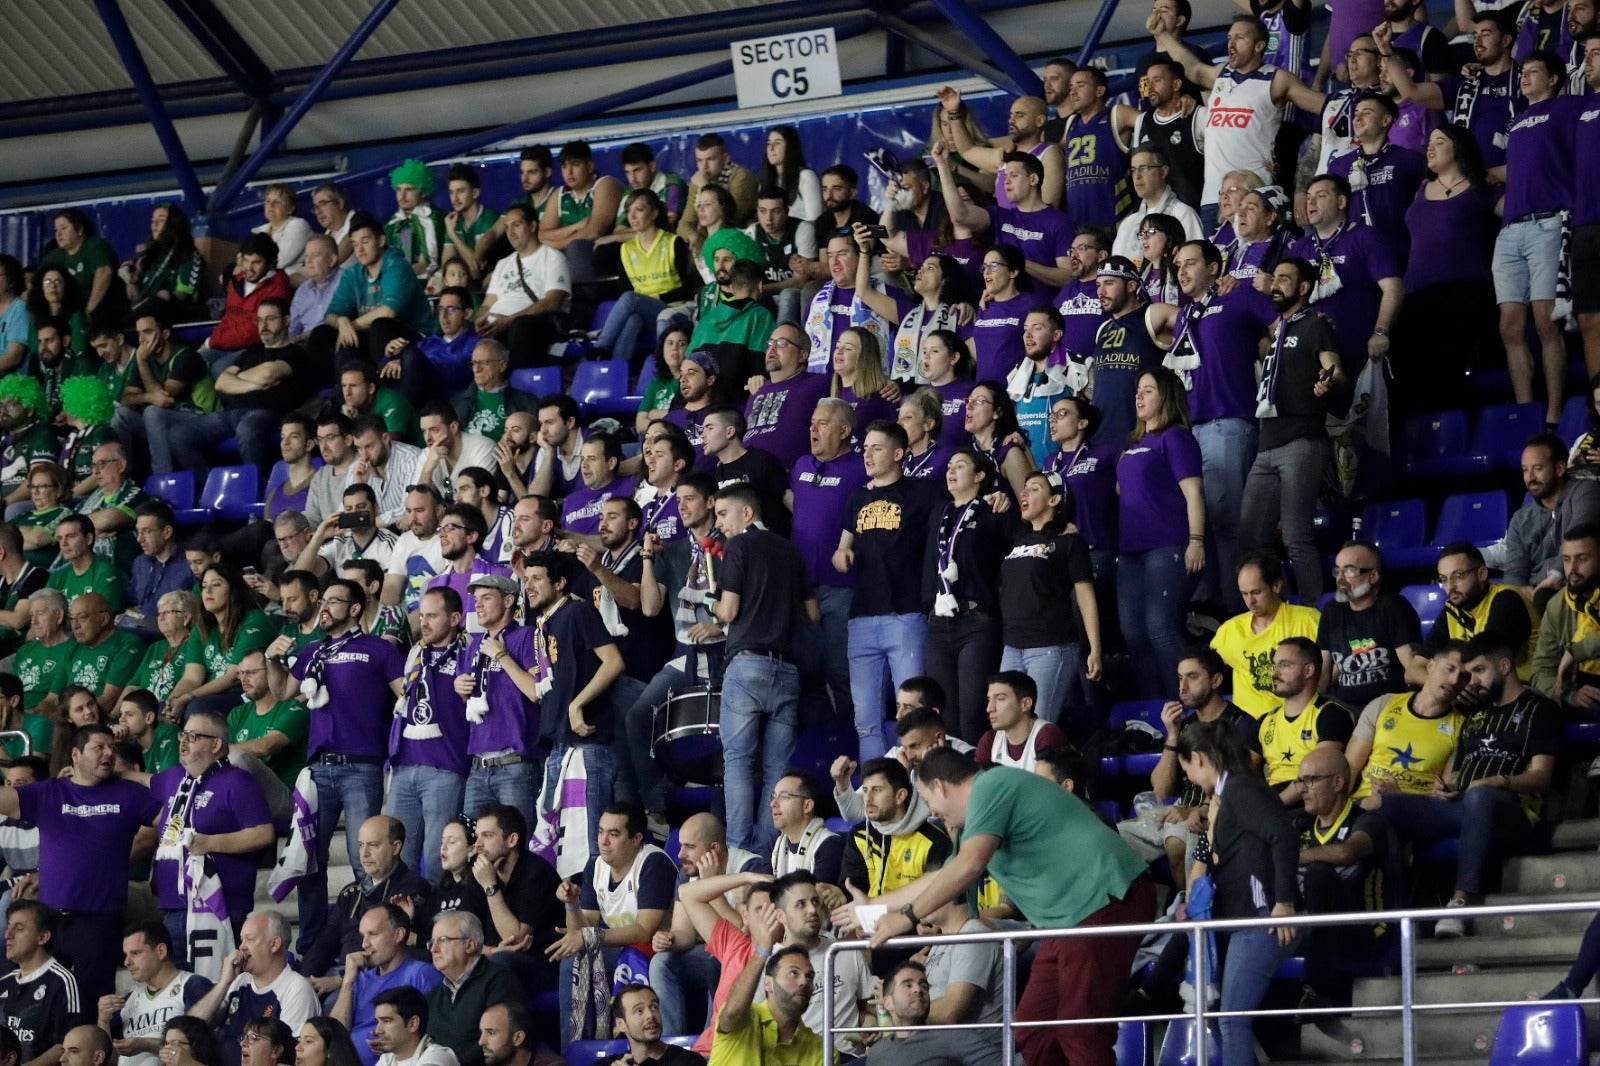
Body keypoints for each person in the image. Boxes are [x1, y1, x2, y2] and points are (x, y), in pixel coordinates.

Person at [850, 749, 1153, 1066]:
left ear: (939, 786)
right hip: (1066, 919)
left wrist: (906, 917)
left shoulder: (991, 786)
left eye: (927, 800)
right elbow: (941, 876)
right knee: (1034, 1029)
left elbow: (968, 867)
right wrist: (872, 905)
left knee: (1080, 1031)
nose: (933, 813)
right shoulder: (973, 822)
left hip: (1102, 897)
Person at [1374, 634, 1561, 937]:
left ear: (1505, 666)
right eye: (1469, 673)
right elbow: (1455, 773)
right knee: (1385, 807)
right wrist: (1443, 787)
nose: (1471, 681)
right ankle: (1393, 914)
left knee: (1480, 795)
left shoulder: (1540, 709)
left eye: (1479, 671)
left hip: (1514, 811)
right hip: (1464, 805)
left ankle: (1460, 902)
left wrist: (1497, 782)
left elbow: (1542, 776)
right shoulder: (1475, 714)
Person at [270, 579, 405, 952]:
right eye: (323, 602)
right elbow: (282, 693)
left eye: (333, 601)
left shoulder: (379, 648)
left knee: (367, 860)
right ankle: (312, 946)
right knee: (310, 860)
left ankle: (370, 943)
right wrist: (272, 660)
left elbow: (407, 696)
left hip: (362, 766)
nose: (324, 607)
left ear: (356, 608)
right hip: (318, 769)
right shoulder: (313, 650)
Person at [0, 723, 160, 1005]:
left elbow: (178, 810)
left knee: (90, 1003)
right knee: (45, 1004)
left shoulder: (127, 793)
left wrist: (131, 775)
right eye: (99, 747)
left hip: (99, 920)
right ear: (75, 755)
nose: (108, 753)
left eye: (112, 748)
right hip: (49, 919)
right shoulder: (50, 793)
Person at [1176, 720, 1301, 1066]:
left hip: (1261, 920)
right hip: (1243, 920)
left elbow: (1283, 836)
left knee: (1232, 1020)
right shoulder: (1228, 793)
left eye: (1186, 768)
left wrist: (1284, 902)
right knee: (1221, 1015)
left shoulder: (1241, 789)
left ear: (1197, 758)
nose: (1188, 777)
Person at [1150, 13, 1326, 229]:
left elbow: (1325, 106)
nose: (1231, 44)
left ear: (1259, 46)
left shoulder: (1276, 79)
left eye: (1239, 38)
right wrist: (1163, 35)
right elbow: (1194, 69)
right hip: (1213, 199)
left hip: (1252, 196)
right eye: (1229, 38)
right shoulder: (1222, 74)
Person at [714, 484, 816, 850]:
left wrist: (712, 607)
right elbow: (813, 614)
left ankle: (740, 850)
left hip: (746, 665)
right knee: (777, 770)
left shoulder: (738, 546)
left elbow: (728, 611)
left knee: (738, 762)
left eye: (723, 514)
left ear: (747, 513)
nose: (718, 523)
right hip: (788, 670)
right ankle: (768, 852)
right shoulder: (790, 551)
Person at [1238, 257, 1345, 601]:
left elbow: (1335, 370)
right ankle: (1279, 609)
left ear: (1303, 288)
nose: (1275, 284)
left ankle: (1311, 615)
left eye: (1284, 279)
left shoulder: (1314, 325)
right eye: (1275, 278)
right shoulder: (1274, 331)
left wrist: (1328, 381)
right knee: (1252, 535)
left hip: (1301, 440)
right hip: (1267, 444)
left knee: (1296, 536)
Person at [148, 707, 274, 967]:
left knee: (215, 983)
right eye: (183, 734)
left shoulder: (238, 781)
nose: (183, 741)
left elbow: (263, 834)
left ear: (216, 744)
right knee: (181, 987)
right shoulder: (174, 777)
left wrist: (211, 843)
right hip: (173, 906)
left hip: (220, 906)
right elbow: (144, 781)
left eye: (193, 736)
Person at [547, 805, 675, 1048]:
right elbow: (584, 929)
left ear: (636, 839)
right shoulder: (595, 866)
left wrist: (590, 937)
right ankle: (575, 1051)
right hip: (622, 948)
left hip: (658, 946)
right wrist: (572, 905)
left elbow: (644, 930)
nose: (603, 841)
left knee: (585, 954)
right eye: (600, 831)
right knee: (572, 960)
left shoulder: (653, 863)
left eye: (613, 834)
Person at [1493, 51, 1573, 425]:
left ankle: (1554, 414)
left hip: (1549, 223)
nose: (1524, 77)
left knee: (1545, 320)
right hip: (1510, 230)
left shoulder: (1568, 109)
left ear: (1554, 79)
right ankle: (1526, 414)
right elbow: (1514, 170)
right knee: (1509, 325)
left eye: (1534, 71)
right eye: (1522, 72)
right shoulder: (1517, 120)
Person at [1117, 369, 1205, 699]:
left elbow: (1194, 492)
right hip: (1131, 550)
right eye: (1138, 390)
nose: (1139, 396)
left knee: (1161, 630)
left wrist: (1196, 540)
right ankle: (1154, 710)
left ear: (1166, 397)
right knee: (1134, 635)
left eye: (1148, 390)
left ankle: (1187, 703)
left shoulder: (1175, 437)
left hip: (1167, 545)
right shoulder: (1136, 443)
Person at [997, 468, 1103, 729]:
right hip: (1012, 646)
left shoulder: (1069, 542)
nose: (1025, 493)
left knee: (1035, 728)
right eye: (1025, 489)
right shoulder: (1016, 540)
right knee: (1007, 727)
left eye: (1035, 489)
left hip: (1050, 646)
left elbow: (1085, 596)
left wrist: (1095, 648)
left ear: (1054, 500)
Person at [301, 816, 433, 991]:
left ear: (395, 847)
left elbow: (393, 955)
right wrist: (303, 981)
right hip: (341, 972)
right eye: (361, 845)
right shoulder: (350, 893)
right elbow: (324, 944)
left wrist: (342, 980)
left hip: (375, 981)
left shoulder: (413, 889)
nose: (364, 854)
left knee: (331, 1003)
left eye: (373, 845)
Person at [187, 911, 321, 1066]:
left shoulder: (296, 989)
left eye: (249, 939)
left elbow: (288, 1057)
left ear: (274, 944)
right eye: (241, 940)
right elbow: (190, 1030)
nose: (241, 947)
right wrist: (224, 983)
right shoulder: (240, 981)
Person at [1345, 643, 1467, 799]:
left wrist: (1399, 797)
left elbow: (1444, 794)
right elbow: (1350, 769)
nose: (1455, 680)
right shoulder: (1384, 704)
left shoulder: (1463, 727)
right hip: (1363, 801)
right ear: (1430, 666)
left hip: (1416, 808)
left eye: (1464, 677)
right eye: (1450, 669)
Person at [1406, 543, 1538, 686]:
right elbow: (1413, 671)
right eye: (1443, 579)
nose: (1450, 586)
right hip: (1479, 689)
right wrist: (1440, 686)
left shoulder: (1507, 600)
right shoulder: (1452, 610)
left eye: (1458, 576)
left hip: (1524, 688)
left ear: (1482, 573)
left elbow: (1487, 668)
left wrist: (1446, 685)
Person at [1210, 554, 1322, 717]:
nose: (1250, 601)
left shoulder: (1307, 620)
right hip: (1244, 724)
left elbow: (1334, 665)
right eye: (1244, 594)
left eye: (1256, 592)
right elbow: (1205, 671)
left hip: (1295, 719)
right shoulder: (1230, 629)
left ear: (1276, 586)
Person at [327, 905, 441, 1066]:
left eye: (373, 934)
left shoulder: (421, 974)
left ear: (398, 935)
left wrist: (398, 1043)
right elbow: (335, 1036)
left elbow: (437, 1031)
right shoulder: (360, 979)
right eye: (363, 936)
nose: (365, 944)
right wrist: (347, 982)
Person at [1318, 541, 1423, 708]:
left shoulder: (1394, 606)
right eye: (1337, 571)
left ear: (1373, 576)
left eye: (1349, 570)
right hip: (1344, 708)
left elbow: (1412, 666)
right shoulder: (1332, 610)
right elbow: (1324, 672)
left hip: (1387, 707)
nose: (1340, 579)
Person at [1504, 434, 1600, 608]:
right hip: (1534, 592)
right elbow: (1514, 571)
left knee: (1545, 597)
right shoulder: (1520, 519)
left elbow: (1579, 543)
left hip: (1573, 583)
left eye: (1538, 468)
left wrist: (1555, 576)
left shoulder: (1585, 492)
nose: (1530, 477)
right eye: (1525, 470)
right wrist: (1519, 590)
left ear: (1560, 468)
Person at [1255, 637, 1356, 801]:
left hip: (1309, 801)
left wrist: (1273, 805)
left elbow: (1315, 775)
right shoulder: (1265, 721)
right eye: (1274, 665)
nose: (1275, 673)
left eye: (1284, 665)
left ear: (1308, 670)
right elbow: (1240, 771)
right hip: (1272, 800)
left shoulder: (1332, 715)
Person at [99, 923, 214, 1066]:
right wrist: (103, 1020)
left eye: (135, 953)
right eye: (126, 955)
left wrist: (145, 1044)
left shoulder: (192, 985)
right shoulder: (128, 999)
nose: (127, 962)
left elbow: (196, 1043)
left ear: (161, 951)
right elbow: (105, 1057)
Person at [476, 205, 570, 369]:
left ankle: (517, 382)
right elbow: (487, 304)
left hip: (534, 325)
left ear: (532, 226)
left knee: (522, 327)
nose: (510, 233)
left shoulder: (553, 258)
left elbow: (552, 302)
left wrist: (509, 320)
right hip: (497, 328)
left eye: (516, 225)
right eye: (507, 227)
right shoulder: (503, 263)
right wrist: (480, 320)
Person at [707, 938, 822, 1066]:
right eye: (793, 973)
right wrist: (762, 951)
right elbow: (733, 1013)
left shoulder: (820, 1049)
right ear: (768, 983)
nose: (804, 982)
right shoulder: (746, 1018)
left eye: (809, 977)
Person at [0, 900, 84, 1066]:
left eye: (19, 928)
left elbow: (69, 1046)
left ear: (43, 937)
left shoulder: (64, 982)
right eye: (8, 927)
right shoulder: (4, 982)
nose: (7, 934)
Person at [743, 322, 833, 469]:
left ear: (802, 355)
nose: (772, 348)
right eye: (770, 343)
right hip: (747, 475)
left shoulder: (818, 383)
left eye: (782, 343)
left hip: (789, 475)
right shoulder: (756, 389)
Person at [974, 671, 1069, 773]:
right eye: (989, 700)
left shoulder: (1047, 735)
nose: (989, 708)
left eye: (1000, 699)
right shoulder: (990, 740)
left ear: (1025, 704)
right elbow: (977, 781)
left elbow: (1048, 782)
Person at [768, 771, 845, 882]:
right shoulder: (774, 846)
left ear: (807, 806)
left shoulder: (830, 845)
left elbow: (817, 892)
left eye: (784, 796)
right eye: (773, 796)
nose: (773, 804)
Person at [605, 986, 702, 1066]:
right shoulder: (608, 1063)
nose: (650, 1015)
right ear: (621, 1024)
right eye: (639, 1011)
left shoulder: (690, 1061)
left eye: (654, 1007)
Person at [368, 987, 456, 1066]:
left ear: (413, 1023)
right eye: (378, 1022)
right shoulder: (386, 1060)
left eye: (387, 1021)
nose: (378, 1030)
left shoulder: (438, 1056)